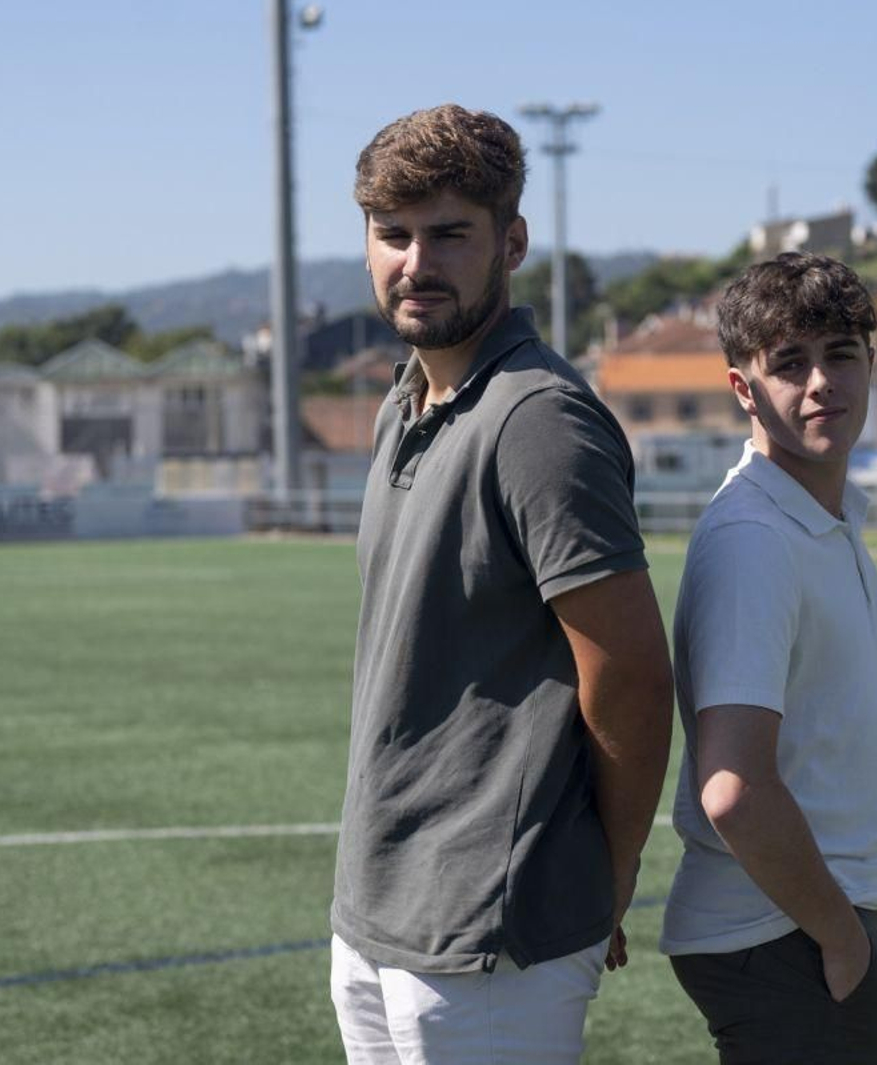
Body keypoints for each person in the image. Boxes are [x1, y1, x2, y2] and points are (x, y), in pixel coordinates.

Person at [328, 104, 674, 1065]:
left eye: (449, 234)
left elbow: (633, 676)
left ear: (511, 243)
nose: (416, 262)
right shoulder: (406, 401)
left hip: (490, 929)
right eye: (393, 234)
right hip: (376, 908)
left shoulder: (539, 420)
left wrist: (608, 874)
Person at [660, 252, 877, 1063]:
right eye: (790, 362)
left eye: (840, 354)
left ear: (871, 363)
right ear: (744, 388)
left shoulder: (817, 517)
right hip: (782, 925)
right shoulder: (755, 538)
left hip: (804, 914)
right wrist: (841, 935)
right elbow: (733, 789)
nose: (821, 382)